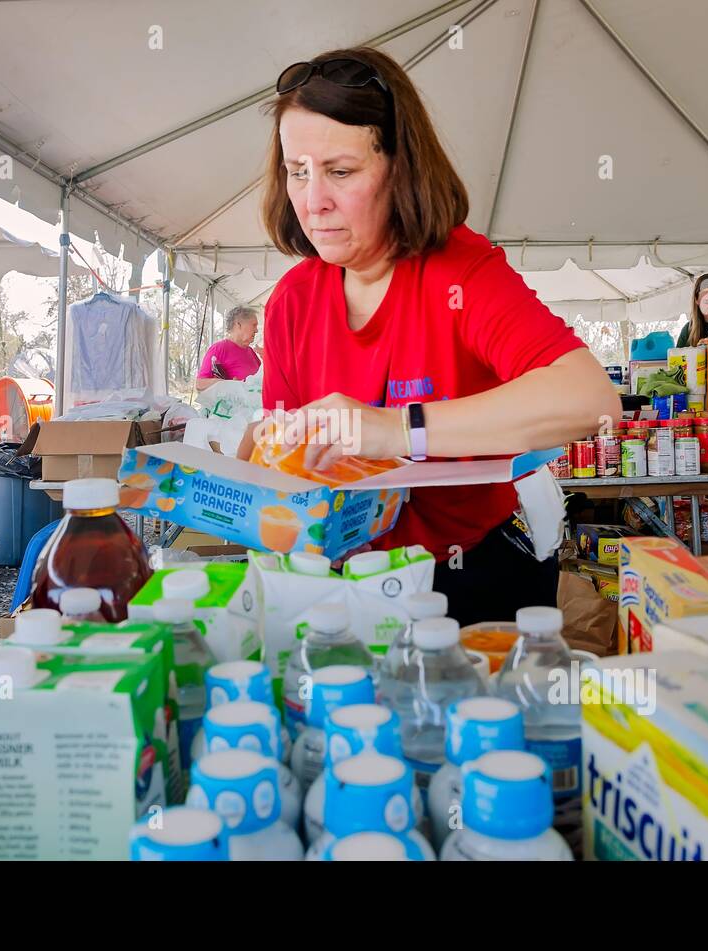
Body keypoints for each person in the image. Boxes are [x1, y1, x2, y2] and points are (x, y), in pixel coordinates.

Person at [245, 48, 620, 624]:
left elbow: (590, 401)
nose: (313, 201)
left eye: (341, 172)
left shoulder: (460, 273)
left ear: (400, 167)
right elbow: (292, 468)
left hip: (470, 573)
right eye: (297, 171)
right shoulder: (293, 301)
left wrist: (396, 429)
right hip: (347, 579)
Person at [196, 305, 263, 392]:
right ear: (239, 325)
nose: (256, 330)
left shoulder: (251, 351)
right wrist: (227, 384)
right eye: (254, 325)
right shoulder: (219, 348)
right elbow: (200, 384)